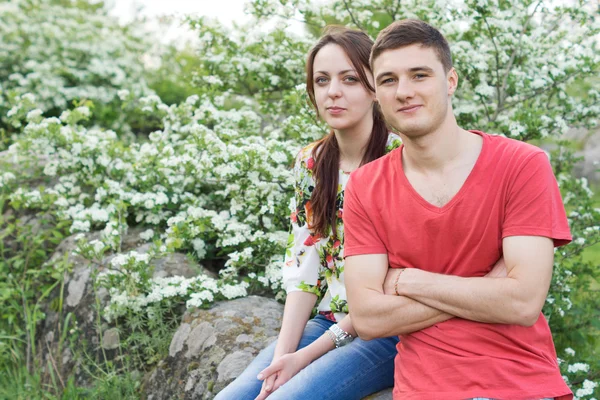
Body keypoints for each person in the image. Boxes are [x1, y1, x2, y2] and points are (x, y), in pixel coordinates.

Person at [343, 19, 573, 400]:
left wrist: (407, 281)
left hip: (520, 383)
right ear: (376, 95)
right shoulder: (366, 187)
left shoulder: (521, 164)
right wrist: (489, 286)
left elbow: (523, 303)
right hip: (425, 388)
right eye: (388, 80)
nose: (403, 92)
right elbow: (367, 318)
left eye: (419, 75)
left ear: (450, 81)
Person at [215, 26, 402, 400]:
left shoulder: (400, 160)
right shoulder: (313, 162)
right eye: (322, 80)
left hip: (387, 331)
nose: (333, 91)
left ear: (374, 88)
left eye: (349, 79)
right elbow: (305, 268)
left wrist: (306, 359)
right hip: (329, 321)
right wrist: (284, 356)